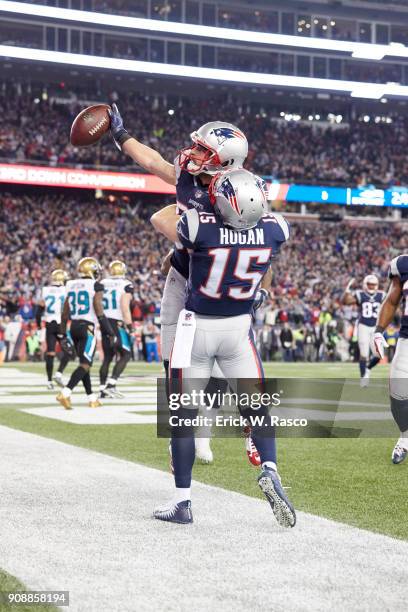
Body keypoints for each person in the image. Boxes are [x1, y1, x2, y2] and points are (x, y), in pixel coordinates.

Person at [110, 103, 264, 465]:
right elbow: (156, 165)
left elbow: (262, 243)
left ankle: (205, 436)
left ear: (224, 162)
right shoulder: (189, 171)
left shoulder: (242, 191)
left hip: (215, 286)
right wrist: (122, 136)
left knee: (209, 366)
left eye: (202, 150)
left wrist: (260, 288)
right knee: (172, 364)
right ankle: (183, 428)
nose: (191, 153)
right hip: (182, 277)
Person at [150, 168, 295, 527]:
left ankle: (182, 502)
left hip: (196, 327)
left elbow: (166, 218)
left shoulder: (200, 226)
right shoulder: (275, 229)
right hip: (238, 330)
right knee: (258, 410)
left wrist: (194, 188)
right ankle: (271, 469)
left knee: (183, 419)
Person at [56, 257, 116, 410]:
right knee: (85, 363)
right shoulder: (96, 285)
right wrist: (109, 331)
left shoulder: (70, 284)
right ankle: (65, 392)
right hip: (87, 328)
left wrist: (62, 334)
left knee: (84, 364)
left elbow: (64, 313)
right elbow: (98, 309)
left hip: (73, 326)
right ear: (92, 271)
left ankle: (92, 398)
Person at [371, 255, 408, 464]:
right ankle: (405, 438)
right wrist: (378, 331)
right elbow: (392, 299)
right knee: (398, 396)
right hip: (407, 339)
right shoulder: (403, 264)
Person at [342, 275, 385, 387]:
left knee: (379, 354)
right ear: (365, 285)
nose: (371, 286)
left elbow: (391, 305)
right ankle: (363, 378)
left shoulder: (382, 295)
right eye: (369, 284)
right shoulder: (360, 294)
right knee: (364, 354)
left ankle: (368, 368)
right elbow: (346, 302)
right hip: (363, 326)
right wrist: (347, 290)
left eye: (373, 284)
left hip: (376, 327)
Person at [99, 260, 134, 399]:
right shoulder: (126, 284)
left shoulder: (102, 283)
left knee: (108, 356)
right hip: (116, 323)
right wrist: (130, 326)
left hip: (104, 321)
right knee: (126, 354)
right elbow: (124, 307)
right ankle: (111, 385)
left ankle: (102, 389)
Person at [36, 269, 71, 389]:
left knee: (50, 352)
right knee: (69, 351)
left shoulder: (45, 290)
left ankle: (49, 381)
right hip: (61, 324)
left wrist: (38, 325)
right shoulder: (66, 289)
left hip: (49, 324)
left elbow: (38, 311)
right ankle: (58, 374)